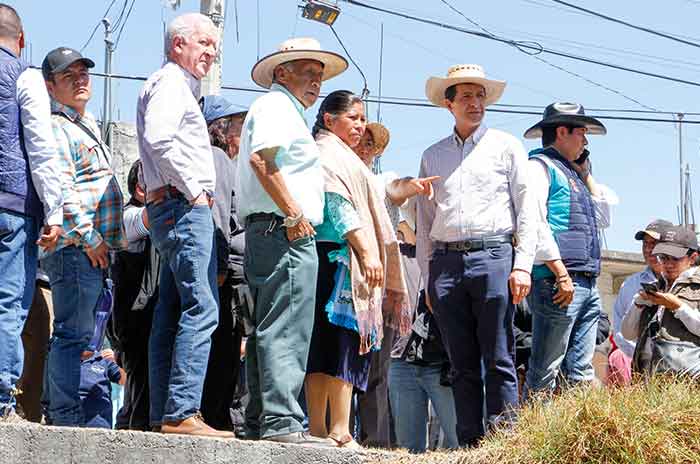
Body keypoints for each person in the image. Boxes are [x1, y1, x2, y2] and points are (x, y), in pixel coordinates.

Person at [416, 64, 537, 446]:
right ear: (448, 104)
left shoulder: (506, 146)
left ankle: (505, 442)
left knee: (500, 356)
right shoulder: (432, 156)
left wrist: (522, 266)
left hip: (494, 256)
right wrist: (428, 280)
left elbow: (527, 208)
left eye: (480, 95)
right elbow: (425, 222)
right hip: (446, 263)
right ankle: (470, 444)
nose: (475, 103)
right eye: (466, 96)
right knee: (461, 363)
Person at [237, 37, 348, 445]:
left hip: (273, 228)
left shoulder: (279, 109)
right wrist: (294, 212)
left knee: (270, 326)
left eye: (319, 76)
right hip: (285, 229)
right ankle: (281, 421)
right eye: (308, 72)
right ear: (281, 72)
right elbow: (261, 160)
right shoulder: (277, 107)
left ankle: (261, 421)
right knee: (286, 327)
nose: (316, 82)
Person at [137, 13, 233, 438]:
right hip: (182, 206)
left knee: (173, 310)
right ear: (178, 45)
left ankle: (168, 413)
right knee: (201, 307)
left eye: (214, 46)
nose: (211, 53)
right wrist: (193, 189)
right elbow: (159, 139)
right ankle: (181, 412)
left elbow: (155, 146)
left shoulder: (172, 84)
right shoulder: (172, 83)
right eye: (204, 43)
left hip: (174, 203)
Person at [305, 90, 410, 449]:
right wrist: (367, 252)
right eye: (353, 118)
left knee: (331, 346)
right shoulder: (328, 153)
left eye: (362, 119)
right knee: (336, 345)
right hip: (338, 259)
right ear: (330, 119)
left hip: (332, 258)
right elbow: (338, 205)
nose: (359, 126)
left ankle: (327, 427)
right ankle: (333, 427)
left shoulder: (342, 157)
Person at [41, 46, 125, 427]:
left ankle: (67, 413)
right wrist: (90, 238)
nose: (80, 80)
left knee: (80, 337)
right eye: (68, 76)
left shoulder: (80, 124)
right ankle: (64, 417)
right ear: (50, 85)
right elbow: (62, 190)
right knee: (72, 336)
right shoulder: (57, 127)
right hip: (77, 249)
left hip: (89, 251)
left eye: (83, 73)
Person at [353, 122, 437, 447]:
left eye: (372, 144)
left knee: (377, 369)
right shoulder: (336, 173)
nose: (365, 147)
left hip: (378, 288)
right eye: (361, 139)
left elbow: (396, 188)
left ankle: (376, 443)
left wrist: (411, 186)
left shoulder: (379, 179)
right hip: (344, 282)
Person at [523, 102, 617, 395]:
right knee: (545, 368)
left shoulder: (574, 174)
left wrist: (586, 174)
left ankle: (568, 436)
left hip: (586, 280)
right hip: (559, 280)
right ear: (562, 132)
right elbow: (535, 223)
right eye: (582, 133)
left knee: (580, 371)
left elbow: (603, 219)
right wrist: (561, 273)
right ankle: (530, 436)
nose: (586, 141)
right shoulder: (539, 167)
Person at [0, 3, 64, 421]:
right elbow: (41, 145)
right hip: (12, 205)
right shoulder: (23, 74)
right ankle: (2, 397)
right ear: (21, 40)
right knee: (8, 299)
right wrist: (55, 210)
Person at [388, 201, 458, 453]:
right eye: (421, 212)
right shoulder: (393, 252)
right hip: (400, 360)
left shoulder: (452, 256)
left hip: (440, 363)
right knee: (408, 451)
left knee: (462, 444)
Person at [198, 95, 247, 431]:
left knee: (228, 351)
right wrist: (217, 266)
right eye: (239, 126)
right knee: (222, 350)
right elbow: (217, 217)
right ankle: (214, 418)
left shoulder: (225, 161)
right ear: (224, 129)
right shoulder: (217, 159)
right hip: (226, 270)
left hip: (227, 267)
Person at [109, 160, 157, 431]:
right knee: (139, 374)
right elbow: (142, 223)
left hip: (143, 311)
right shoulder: (127, 216)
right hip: (132, 313)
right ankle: (135, 427)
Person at [621, 225, 700, 378]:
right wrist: (638, 304)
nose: (668, 264)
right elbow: (627, 333)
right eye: (664, 258)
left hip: (687, 381)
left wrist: (678, 307)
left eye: (675, 258)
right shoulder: (657, 285)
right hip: (647, 380)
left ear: (693, 257)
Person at [609, 219, 672, 386]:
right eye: (645, 244)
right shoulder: (630, 285)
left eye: (654, 243)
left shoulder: (685, 282)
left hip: (675, 360)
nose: (648, 249)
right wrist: (640, 356)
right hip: (636, 359)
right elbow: (620, 332)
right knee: (618, 357)